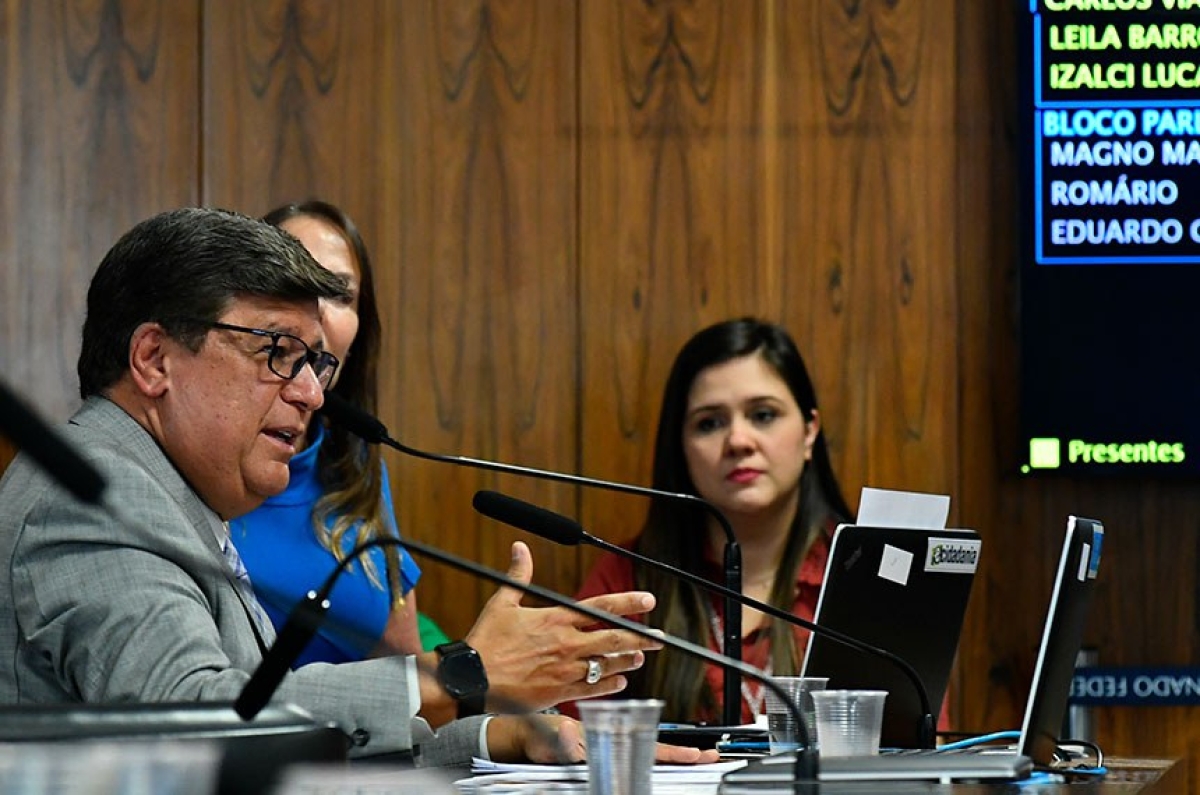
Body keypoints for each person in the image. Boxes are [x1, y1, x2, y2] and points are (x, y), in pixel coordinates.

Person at [0, 207, 715, 766]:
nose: (311, 392)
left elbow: (276, 737)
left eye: (316, 362)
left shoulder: (171, 493)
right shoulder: (94, 496)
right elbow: (196, 723)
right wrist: (459, 673)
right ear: (154, 357)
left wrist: (498, 736)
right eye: (277, 352)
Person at [570, 317, 855, 725]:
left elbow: (921, 746)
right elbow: (565, 739)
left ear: (810, 432)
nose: (739, 441)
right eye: (710, 423)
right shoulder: (629, 580)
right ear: (682, 447)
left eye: (763, 415)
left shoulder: (862, 575)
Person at [231, 200, 445, 665]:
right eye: (297, 282)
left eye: (340, 295)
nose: (318, 315)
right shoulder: (206, 462)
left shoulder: (355, 461)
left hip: (366, 737)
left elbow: (406, 675)